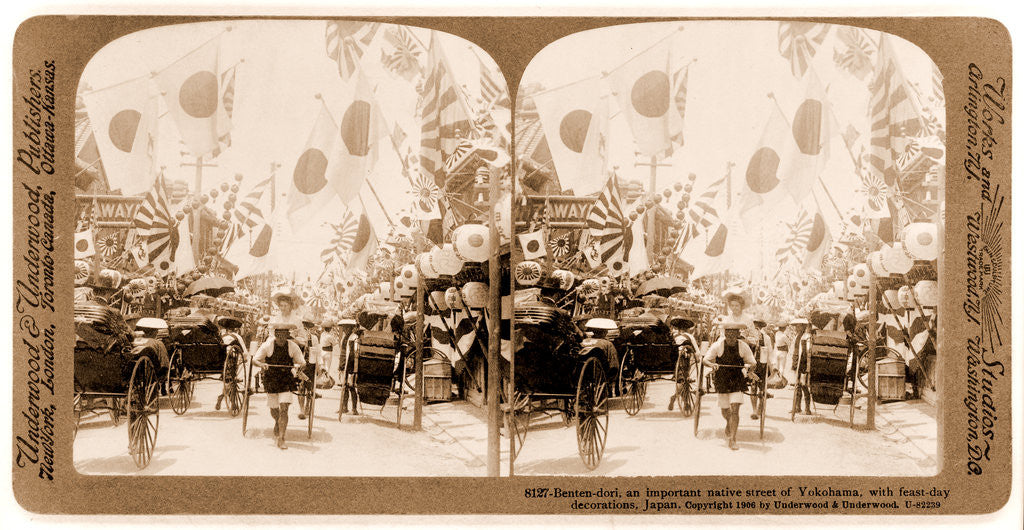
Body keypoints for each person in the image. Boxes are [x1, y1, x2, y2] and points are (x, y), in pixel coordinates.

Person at [703, 321, 759, 450]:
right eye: (729, 333)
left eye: (734, 333)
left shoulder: (743, 346)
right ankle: (729, 422)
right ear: (725, 333)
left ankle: (732, 439)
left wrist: (749, 368)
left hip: (737, 380)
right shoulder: (718, 345)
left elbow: (753, 362)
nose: (731, 336)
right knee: (725, 410)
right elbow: (705, 359)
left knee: (735, 409)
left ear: (738, 334)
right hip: (722, 379)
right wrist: (712, 365)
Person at [252, 323, 306, 449]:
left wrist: (299, 366)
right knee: (274, 409)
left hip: (286, 379)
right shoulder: (268, 345)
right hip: (271, 379)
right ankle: (277, 421)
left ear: (288, 335)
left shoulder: (292, 346)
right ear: (275, 334)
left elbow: (302, 362)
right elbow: (255, 360)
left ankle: (281, 437)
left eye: (284, 335)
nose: (282, 337)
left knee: (284, 408)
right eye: (279, 335)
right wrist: (262, 365)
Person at [749, 319, 776, 419]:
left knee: (762, 388)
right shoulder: (750, 337)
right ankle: (754, 410)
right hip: (753, 365)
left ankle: (760, 407)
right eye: (756, 326)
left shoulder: (766, 338)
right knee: (753, 387)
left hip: (763, 365)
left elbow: (770, 352)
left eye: (758, 326)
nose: (757, 328)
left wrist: (773, 366)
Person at [789, 317, 813, 416]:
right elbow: (793, 350)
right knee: (797, 385)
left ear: (803, 326)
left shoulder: (807, 336)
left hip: (803, 363)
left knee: (804, 385)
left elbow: (808, 352)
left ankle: (807, 408)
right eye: (796, 326)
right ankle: (797, 407)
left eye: (798, 326)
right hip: (796, 362)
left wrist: (808, 367)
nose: (796, 328)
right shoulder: (797, 336)